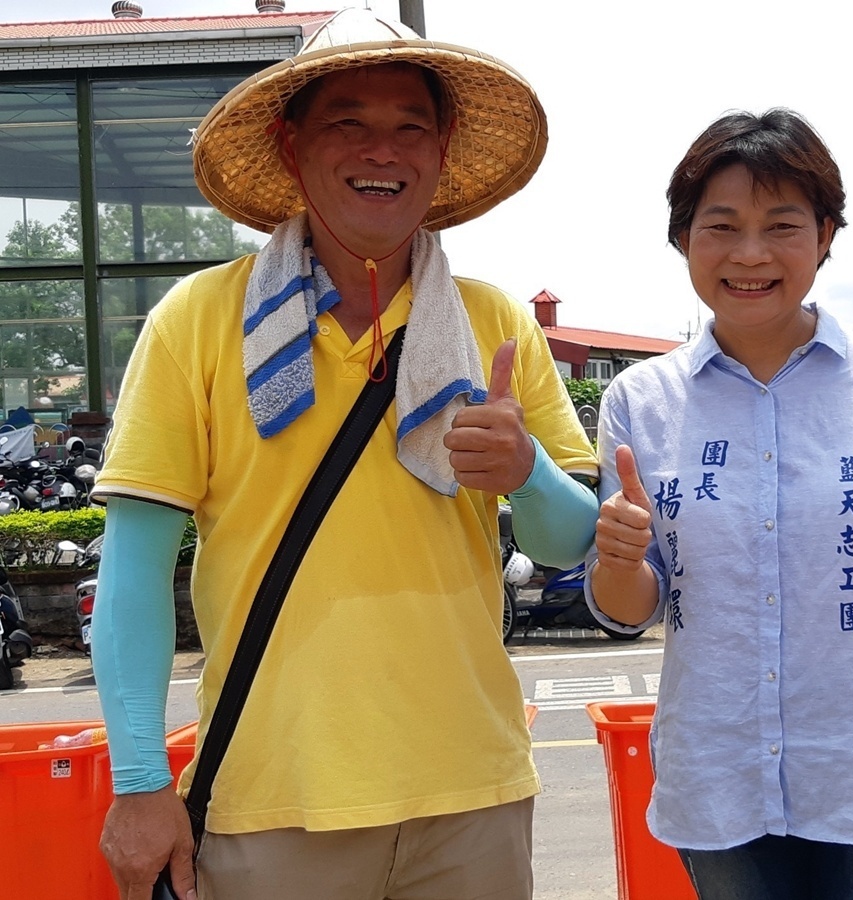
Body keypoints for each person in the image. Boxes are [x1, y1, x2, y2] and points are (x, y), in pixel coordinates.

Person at [90, 10, 598, 900]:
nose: (383, 150)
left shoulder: (494, 324)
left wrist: (529, 474)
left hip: (470, 795)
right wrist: (137, 783)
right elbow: (132, 571)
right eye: (347, 123)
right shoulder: (200, 320)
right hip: (271, 802)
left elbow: (567, 544)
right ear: (292, 145)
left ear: (441, 151)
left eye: (411, 126)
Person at [585, 108, 853, 900]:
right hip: (720, 779)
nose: (750, 254)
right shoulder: (640, 400)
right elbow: (631, 608)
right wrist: (618, 558)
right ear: (683, 239)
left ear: (825, 235)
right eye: (721, 226)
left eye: (782, 225)